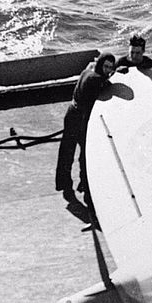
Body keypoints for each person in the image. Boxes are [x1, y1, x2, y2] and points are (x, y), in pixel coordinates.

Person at [54, 53, 117, 221]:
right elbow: (105, 89)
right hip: (81, 118)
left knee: (66, 150)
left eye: (111, 67)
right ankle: (87, 192)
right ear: (101, 65)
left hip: (71, 111)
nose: (108, 70)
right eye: (106, 67)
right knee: (85, 156)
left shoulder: (89, 68)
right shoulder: (96, 79)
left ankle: (64, 183)